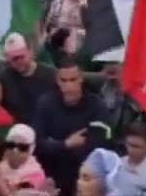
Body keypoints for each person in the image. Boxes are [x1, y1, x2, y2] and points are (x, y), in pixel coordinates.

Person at [33, 59, 108, 196]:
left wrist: (54, 144)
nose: (68, 85)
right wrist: (66, 144)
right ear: (57, 81)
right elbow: (38, 144)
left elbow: (100, 146)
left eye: (73, 79)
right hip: (52, 176)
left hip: (84, 177)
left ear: (81, 79)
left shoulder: (96, 106)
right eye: (64, 80)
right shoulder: (46, 104)